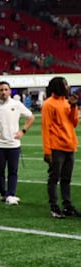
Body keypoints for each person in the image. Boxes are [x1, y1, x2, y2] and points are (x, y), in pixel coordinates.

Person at [41, 76, 79, 219]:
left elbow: (74, 123)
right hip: (56, 147)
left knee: (66, 179)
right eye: (65, 84)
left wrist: (74, 107)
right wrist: (47, 151)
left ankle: (67, 205)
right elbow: (46, 128)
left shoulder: (67, 102)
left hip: (69, 145)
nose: (68, 87)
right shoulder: (48, 104)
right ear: (58, 86)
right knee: (54, 178)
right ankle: (54, 206)